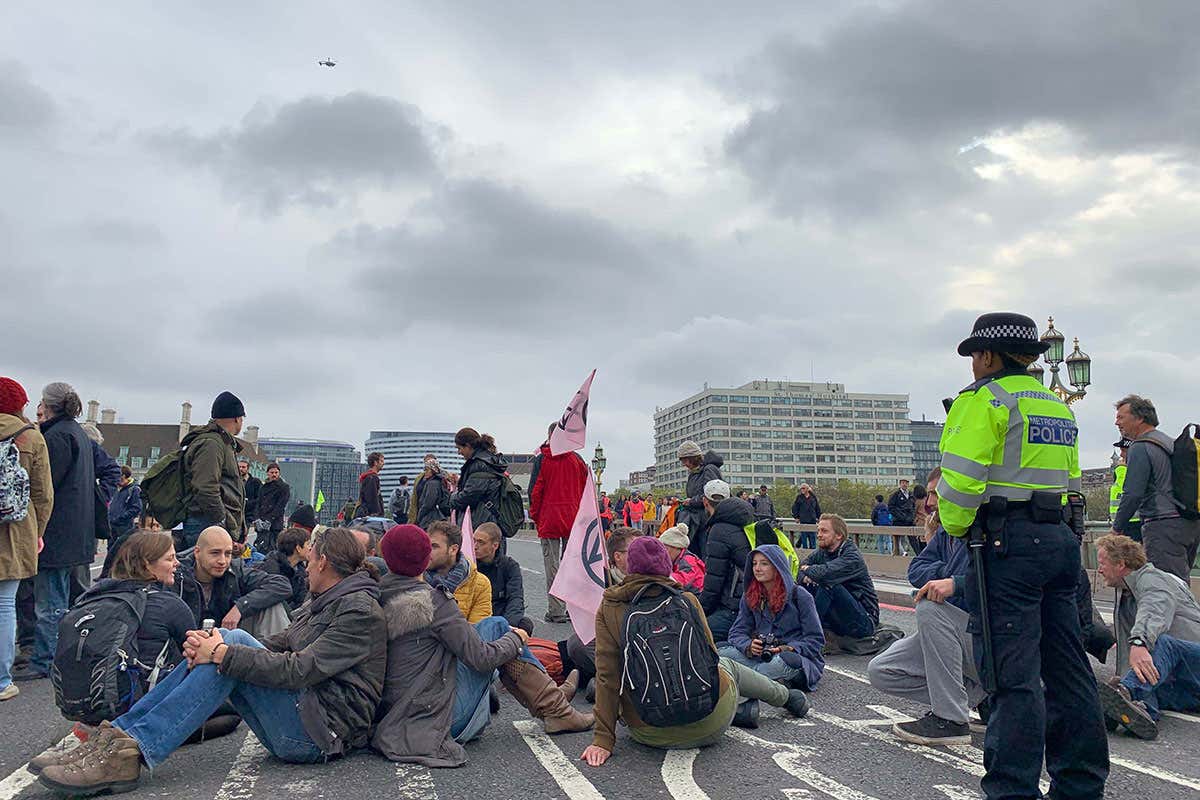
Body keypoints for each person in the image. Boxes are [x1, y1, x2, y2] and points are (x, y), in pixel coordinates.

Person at [35, 527, 387, 795]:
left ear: (323, 562)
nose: (306, 569)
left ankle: (128, 753)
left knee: (228, 647)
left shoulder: (358, 610)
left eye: (310, 562)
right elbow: (280, 643)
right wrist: (212, 644)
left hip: (321, 734)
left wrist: (222, 652)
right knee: (225, 642)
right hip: (309, 716)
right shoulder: (328, 599)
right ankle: (118, 739)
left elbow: (298, 669)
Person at [937, 312, 1107, 799]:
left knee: (1012, 677)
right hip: (1058, 543)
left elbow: (960, 481)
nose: (972, 365)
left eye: (974, 356)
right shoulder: (1056, 406)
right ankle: (1080, 784)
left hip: (1006, 544)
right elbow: (1074, 486)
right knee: (1068, 669)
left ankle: (1012, 790)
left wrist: (955, 525)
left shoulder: (983, 400)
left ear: (987, 356)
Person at [581, 537, 810, 767]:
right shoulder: (687, 600)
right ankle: (786, 697)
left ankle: (743, 712)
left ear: (630, 567)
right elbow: (709, 659)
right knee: (725, 665)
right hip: (712, 721)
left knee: (619, 681)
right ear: (666, 566)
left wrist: (603, 740)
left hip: (650, 732)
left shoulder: (610, 608)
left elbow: (607, 677)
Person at [373, 525, 590, 767]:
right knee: (498, 627)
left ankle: (554, 702)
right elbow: (482, 657)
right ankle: (557, 709)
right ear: (424, 559)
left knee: (493, 628)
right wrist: (517, 638)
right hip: (434, 720)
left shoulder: (375, 594)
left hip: (393, 717)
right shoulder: (434, 601)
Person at [868, 468, 986, 746]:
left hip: (984, 637)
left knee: (930, 608)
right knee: (882, 670)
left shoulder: (982, 529)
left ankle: (951, 719)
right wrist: (947, 575)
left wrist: (953, 582)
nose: (929, 503)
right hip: (953, 629)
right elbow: (917, 569)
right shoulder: (946, 533)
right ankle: (982, 697)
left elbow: (993, 580)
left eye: (935, 494)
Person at [15, 383, 95, 683]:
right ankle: (57, 656)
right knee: (62, 598)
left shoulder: (57, 437)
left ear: (48, 406)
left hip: (58, 532)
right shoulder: (76, 433)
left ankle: (44, 659)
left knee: (50, 602)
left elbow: (46, 487)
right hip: (75, 532)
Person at [1094, 534, 1200, 739]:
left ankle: (1127, 694)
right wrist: (1125, 676)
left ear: (1121, 564)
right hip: (1187, 682)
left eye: (1102, 563)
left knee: (1163, 644)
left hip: (1193, 662)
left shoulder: (1154, 579)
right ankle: (1137, 711)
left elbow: (1155, 608)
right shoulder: (1127, 593)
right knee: (1147, 680)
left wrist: (1140, 641)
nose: (1099, 570)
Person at [720, 544, 825, 721]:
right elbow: (736, 633)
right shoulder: (750, 596)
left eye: (764, 564)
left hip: (791, 656)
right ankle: (764, 682)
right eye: (754, 564)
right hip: (760, 656)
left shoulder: (800, 596)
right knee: (721, 652)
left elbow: (815, 641)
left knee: (779, 662)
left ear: (777, 567)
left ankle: (743, 684)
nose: (757, 569)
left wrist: (788, 648)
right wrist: (748, 646)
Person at [0, 378, 52, 700]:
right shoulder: (30, 437)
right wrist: (38, 532)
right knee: (5, 606)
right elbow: (43, 494)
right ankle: (2, 681)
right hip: (14, 531)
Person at [1113, 394, 1200, 582]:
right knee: (1179, 583)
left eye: (1121, 417)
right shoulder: (1169, 442)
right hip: (1188, 521)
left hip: (1162, 524)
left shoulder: (1141, 446)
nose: (1116, 422)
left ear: (1140, 418)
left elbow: (1133, 493)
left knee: (1166, 587)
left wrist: (1117, 527)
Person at [173, 527, 293, 633]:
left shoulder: (234, 571)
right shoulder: (176, 575)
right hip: (186, 648)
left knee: (273, 605)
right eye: (215, 553)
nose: (222, 561)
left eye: (228, 554)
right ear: (197, 552)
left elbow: (281, 585)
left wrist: (240, 607)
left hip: (227, 645)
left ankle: (273, 656)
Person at [529, 424, 589, 624]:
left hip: (550, 517)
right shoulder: (577, 460)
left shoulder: (543, 459)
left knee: (552, 566)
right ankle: (573, 609)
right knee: (572, 565)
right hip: (572, 517)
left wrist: (536, 517)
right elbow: (585, 490)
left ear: (550, 436)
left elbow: (535, 491)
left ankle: (556, 610)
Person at [180, 392, 247, 549]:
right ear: (237, 418)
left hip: (209, 523)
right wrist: (222, 523)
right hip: (206, 524)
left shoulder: (219, 442)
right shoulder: (212, 444)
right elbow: (205, 487)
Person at [800, 514, 879, 640]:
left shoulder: (852, 557)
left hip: (864, 621)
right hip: (840, 616)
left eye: (824, 531)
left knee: (828, 584)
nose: (819, 535)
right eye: (818, 530)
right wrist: (806, 577)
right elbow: (800, 568)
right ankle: (799, 626)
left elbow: (824, 574)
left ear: (839, 535)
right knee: (802, 587)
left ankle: (810, 634)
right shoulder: (823, 552)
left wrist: (808, 570)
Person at [696, 479, 754, 642]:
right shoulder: (747, 520)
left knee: (696, 633)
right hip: (754, 601)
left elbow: (714, 581)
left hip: (735, 608)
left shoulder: (718, 530)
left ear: (705, 501)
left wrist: (700, 610)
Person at [425, 519, 491, 624]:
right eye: (426, 545)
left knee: (497, 623)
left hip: (461, 638)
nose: (427, 551)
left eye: (434, 546)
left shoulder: (480, 583)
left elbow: (478, 631)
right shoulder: (415, 577)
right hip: (424, 639)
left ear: (453, 549)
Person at [473, 522, 532, 632]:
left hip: (500, 616)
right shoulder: (468, 564)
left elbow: (515, 598)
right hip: (475, 617)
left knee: (525, 624)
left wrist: (507, 626)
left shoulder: (509, 566)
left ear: (495, 545)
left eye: (481, 542)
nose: (475, 546)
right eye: (474, 541)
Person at [448, 428, 509, 532]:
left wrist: (452, 498)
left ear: (468, 446)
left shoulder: (478, 465)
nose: (459, 452)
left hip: (480, 522)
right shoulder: (489, 460)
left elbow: (470, 495)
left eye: (459, 448)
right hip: (491, 520)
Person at [676, 441, 724, 557]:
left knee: (705, 555)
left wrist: (692, 501)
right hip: (696, 521)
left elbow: (713, 495)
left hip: (706, 522)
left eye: (685, 460)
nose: (684, 464)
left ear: (692, 458)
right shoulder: (694, 473)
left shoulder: (709, 470)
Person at [258, 526, 311, 611]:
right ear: (298, 548)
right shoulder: (271, 568)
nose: (310, 548)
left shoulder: (300, 570)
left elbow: (301, 599)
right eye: (308, 544)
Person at [251, 462, 290, 555]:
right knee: (260, 548)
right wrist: (257, 519)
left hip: (275, 524)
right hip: (262, 522)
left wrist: (269, 520)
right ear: (268, 473)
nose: (274, 475)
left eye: (276, 473)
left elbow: (280, 506)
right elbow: (258, 504)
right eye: (272, 473)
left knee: (273, 549)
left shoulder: (284, 487)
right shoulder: (263, 487)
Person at [1109, 437, 1142, 543]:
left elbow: (1130, 495)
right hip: (1123, 524)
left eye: (1124, 451)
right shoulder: (1120, 471)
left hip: (1131, 524)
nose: (1121, 455)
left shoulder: (1124, 471)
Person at [660, 524, 705, 592]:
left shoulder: (688, 560)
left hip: (696, 597)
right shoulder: (677, 560)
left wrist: (659, 577)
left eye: (666, 548)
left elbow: (681, 580)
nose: (663, 553)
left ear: (676, 547)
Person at [412, 455, 450, 528]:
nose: (424, 472)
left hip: (430, 519)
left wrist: (419, 515)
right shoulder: (439, 481)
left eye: (426, 469)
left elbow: (428, 503)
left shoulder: (432, 483)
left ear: (433, 470)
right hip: (436, 517)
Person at [791, 483, 821, 550]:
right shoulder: (799, 497)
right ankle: (804, 552)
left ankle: (812, 551)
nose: (802, 490)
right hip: (803, 520)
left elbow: (817, 508)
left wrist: (819, 518)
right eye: (801, 488)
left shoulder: (813, 497)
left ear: (807, 489)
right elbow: (794, 508)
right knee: (804, 539)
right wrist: (796, 517)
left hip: (812, 520)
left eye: (803, 488)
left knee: (812, 539)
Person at [358, 452, 385, 518]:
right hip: (371, 516)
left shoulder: (368, 477)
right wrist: (376, 514)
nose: (383, 463)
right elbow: (372, 498)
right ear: (375, 463)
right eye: (381, 461)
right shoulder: (372, 478)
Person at [238, 458, 261, 527]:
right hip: (236, 513)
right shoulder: (234, 481)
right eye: (239, 467)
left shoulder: (256, 482)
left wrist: (248, 503)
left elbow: (259, 498)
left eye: (243, 467)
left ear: (248, 469)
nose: (241, 469)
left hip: (249, 515)